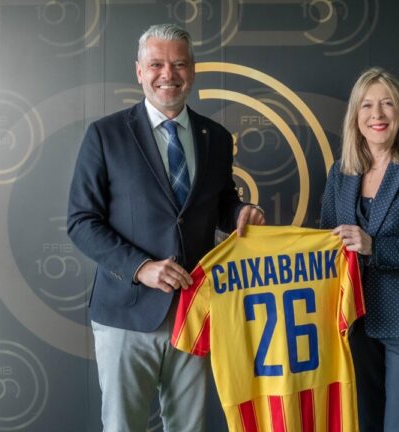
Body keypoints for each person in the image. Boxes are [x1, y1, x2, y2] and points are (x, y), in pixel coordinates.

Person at [67, 23, 265, 432]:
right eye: (156, 64)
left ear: (192, 70)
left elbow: (219, 201)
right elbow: (81, 221)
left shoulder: (217, 137)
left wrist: (239, 214)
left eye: (178, 64)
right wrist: (141, 267)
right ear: (139, 71)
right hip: (126, 312)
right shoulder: (105, 135)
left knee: (188, 428)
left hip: (194, 311)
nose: (167, 74)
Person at [320, 67, 399, 431]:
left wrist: (374, 246)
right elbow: (325, 243)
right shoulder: (340, 173)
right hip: (353, 324)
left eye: (387, 104)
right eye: (367, 106)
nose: (376, 115)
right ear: (355, 117)